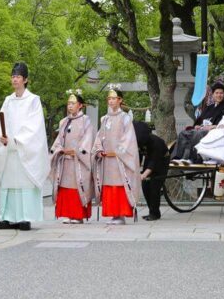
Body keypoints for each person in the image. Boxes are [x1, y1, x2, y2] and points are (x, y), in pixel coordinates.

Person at [0, 62, 50, 231]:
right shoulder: (8, 100)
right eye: (13, 76)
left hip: (24, 149)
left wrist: (17, 140)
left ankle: (24, 217)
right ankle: (6, 216)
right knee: (8, 183)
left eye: (18, 77)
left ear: (25, 80)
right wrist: (1, 137)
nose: (14, 79)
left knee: (23, 183)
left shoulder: (33, 100)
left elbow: (35, 127)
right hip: (8, 150)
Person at [92, 86, 142, 224]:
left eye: (114, 98)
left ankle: (121, 215)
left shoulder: (125, 118)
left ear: (120, 100)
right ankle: (113, 214)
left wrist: (118, 151)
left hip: (119, 159)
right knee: (109, 186)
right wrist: (99, 149)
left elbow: (129, 139)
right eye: (109, 98)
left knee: (119, 185)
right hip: (107, 159)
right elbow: (99, 136)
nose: (111, 101)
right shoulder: (105, 119)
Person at [50, 90, 95, 224]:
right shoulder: (64, 121)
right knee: (65, 187)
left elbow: (88, 139)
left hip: (78, 160)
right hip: (65, 160)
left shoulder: (86, 121)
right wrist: (57, 150)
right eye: (69, 103)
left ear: (80, 105)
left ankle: (78, 215)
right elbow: (59, 140)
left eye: (73, 103)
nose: (70, 106)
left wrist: (78, 151)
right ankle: (68, 214)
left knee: (77, 186)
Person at [171, 82, 224, 164]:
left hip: (215, 130)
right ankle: (177, 157)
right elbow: (201, 120)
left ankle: (192, 159)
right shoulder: (209, 107)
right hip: (203, 129)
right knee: (183, 133)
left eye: (221, 93)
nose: (219, 95)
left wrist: (214, 126)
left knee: (198, 134)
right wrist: (198, 125)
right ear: (212, 95)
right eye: (216, 93)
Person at [135, 121, 169, 221]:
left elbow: (154, 162)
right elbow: (138, 158)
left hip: (161, 160)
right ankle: (151, 211)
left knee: (154, 186)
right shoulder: (139, 142)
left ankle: (155, 214)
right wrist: (136, 172)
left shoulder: (156, 142)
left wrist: (144, 175)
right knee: (145, 186)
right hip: (149, 158)